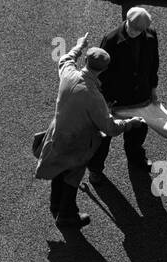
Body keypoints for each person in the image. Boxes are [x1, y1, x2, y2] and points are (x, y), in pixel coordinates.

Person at [34, 34, 133, 229]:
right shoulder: (94, 97)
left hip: (56, 134)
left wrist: (79, 45)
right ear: (104, 69)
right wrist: (131, 123)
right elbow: (110, 128)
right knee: (72, 177)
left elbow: (66, 58)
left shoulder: (69, 73)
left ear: (86, 61)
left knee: (58, 170)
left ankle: (55, 205)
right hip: (77, 144)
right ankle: (67, 215)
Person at [87, 7, 159, 182]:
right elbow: (101, 72)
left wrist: (153, 89)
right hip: (114, 99)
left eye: (138, 30)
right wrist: (105, 99)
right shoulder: (111, 39)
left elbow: (154, 63)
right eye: (132, 28)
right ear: (126, 20)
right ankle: (95, 169)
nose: (134, 32)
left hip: (140, 96)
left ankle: (136, 159)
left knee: (138, 132)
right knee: (104, 137)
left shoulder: (150, 35)